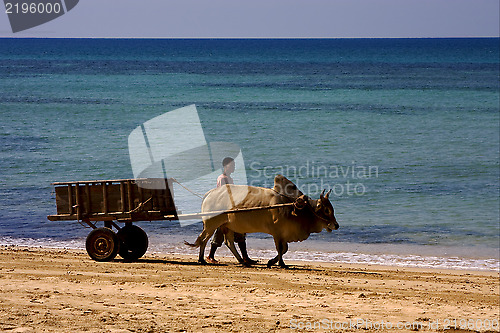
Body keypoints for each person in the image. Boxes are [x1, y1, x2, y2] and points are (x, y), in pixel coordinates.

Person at [206, 157, 257, 265]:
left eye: (234, 165)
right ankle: (210, 255)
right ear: (225, 166)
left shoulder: (229, 178)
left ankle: (245, 257)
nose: (233, 166)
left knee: (240, 230)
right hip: (223, 209)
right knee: (220, 232)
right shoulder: (222, 178)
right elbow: (223, 194)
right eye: (232, 165)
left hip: (231, 208)